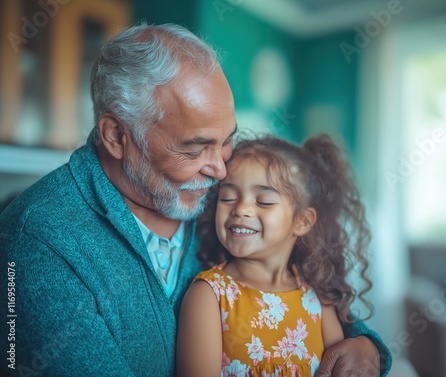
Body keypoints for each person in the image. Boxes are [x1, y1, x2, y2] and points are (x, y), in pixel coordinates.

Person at [0, 23, 391, 376]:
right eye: (195, 148)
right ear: (117, 136)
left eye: (227, 141)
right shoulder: (38, 240)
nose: (221, 171)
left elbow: (293, 282)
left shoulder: (218, 196)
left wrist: (365, 344)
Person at [177, 134, 379, 376]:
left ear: (302, 221)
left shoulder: (317, 298)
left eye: (263, 201)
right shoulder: (209, 295)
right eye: (228, 198)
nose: (240, 209)